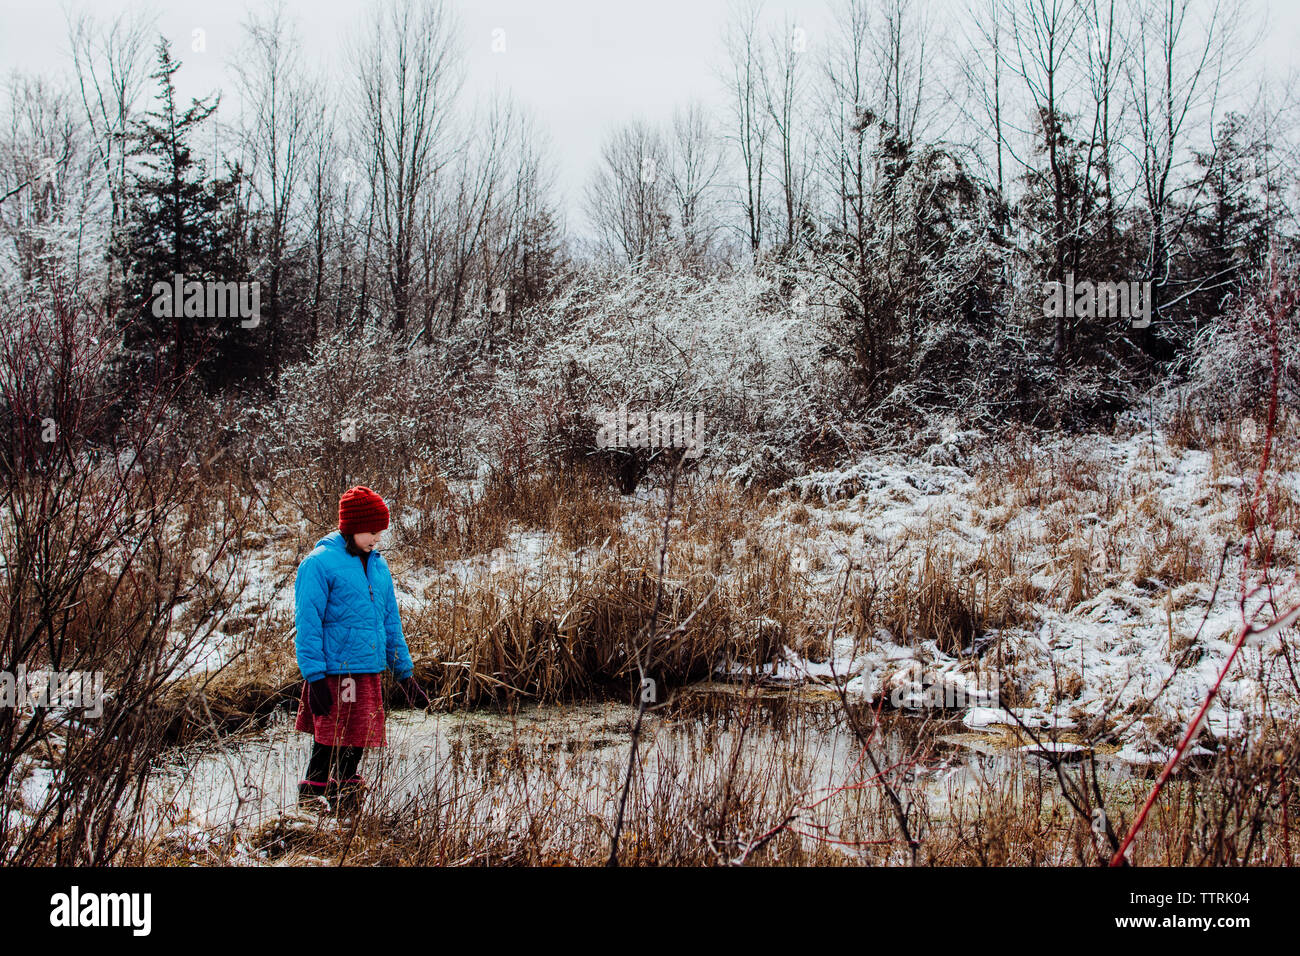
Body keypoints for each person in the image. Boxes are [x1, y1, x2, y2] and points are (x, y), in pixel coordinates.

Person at [292, 485, 428, 813]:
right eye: (370, 532)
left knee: (358, 741)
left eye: (379, 533)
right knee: (329, 741)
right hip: (336, 673)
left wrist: (405, 676)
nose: (375, 540)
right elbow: (308, 625)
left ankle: (345, 812)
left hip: (368, 670)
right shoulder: (319, 564)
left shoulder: (379, 567)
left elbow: (390, 624)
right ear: (350, 527)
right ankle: (311, 810)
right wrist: (314, 677)